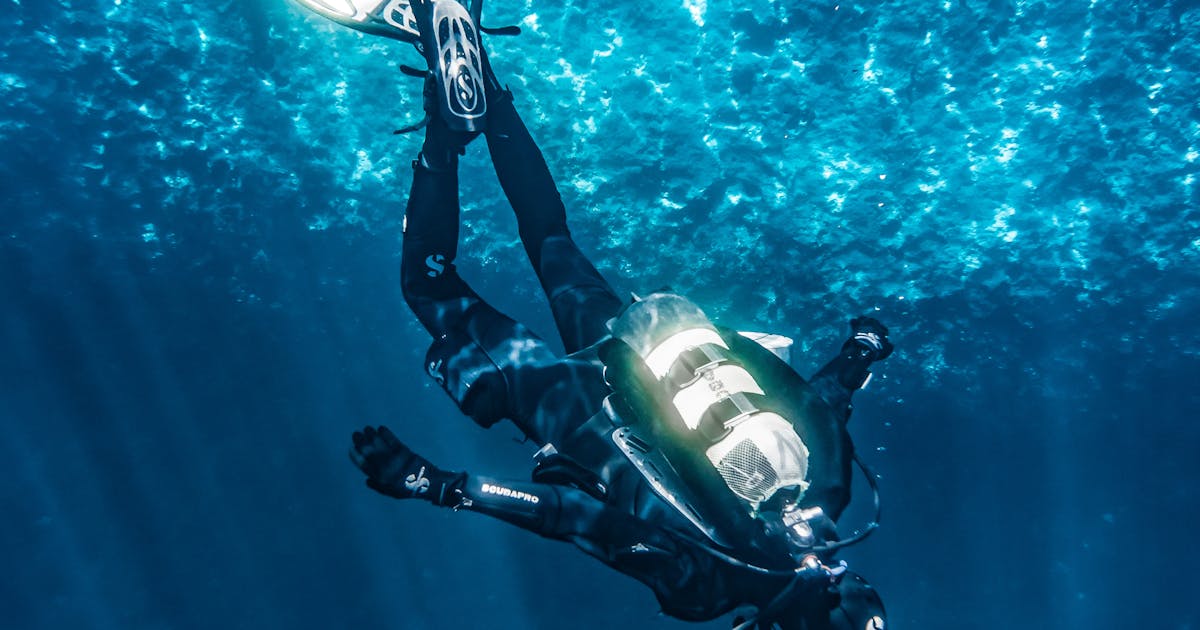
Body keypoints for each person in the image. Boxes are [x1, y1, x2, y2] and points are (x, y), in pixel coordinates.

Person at [296, 1, 893, 627]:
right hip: (578, 412)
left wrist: (862, 350)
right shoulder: (705, 587)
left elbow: (822, 403)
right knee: (427, 287)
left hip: (642, 361)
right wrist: (437, 485)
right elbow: (570, 516)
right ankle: (442, 137)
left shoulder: (832, 498)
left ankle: (480, 82)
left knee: (551, 237)